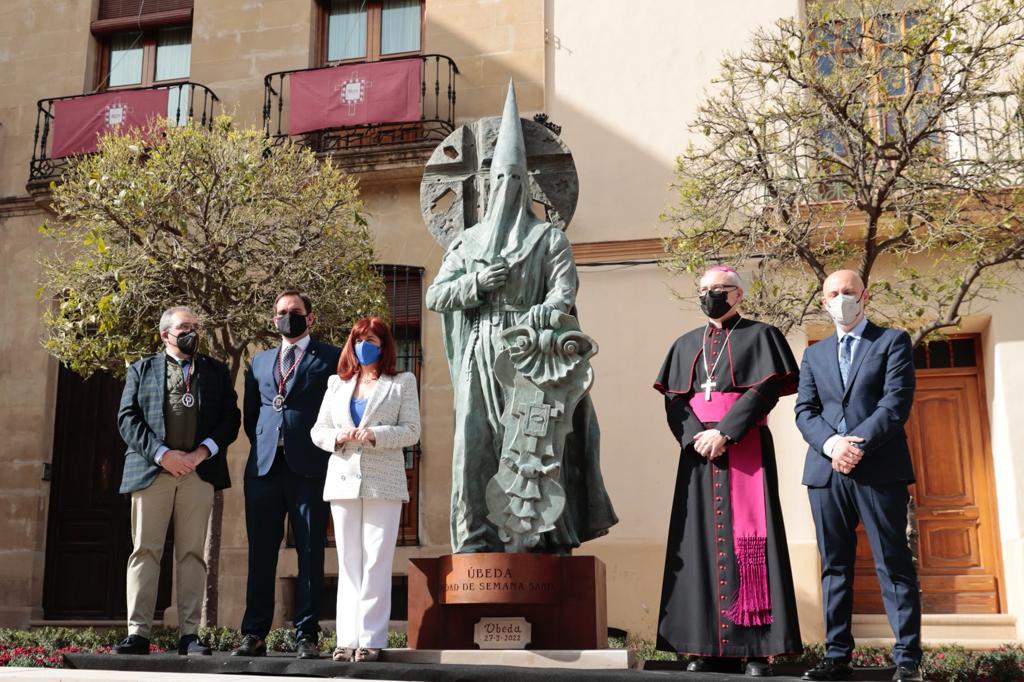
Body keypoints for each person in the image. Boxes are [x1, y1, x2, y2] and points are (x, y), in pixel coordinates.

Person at [425, 80, 617, 554]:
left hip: (531, 354)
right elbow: (435, 296)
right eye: (497, 180)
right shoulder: (464, 244)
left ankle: (536, 535)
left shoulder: (549, 239)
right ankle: (475, 539)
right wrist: (475, 285)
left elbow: (563, 292)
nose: (505, 188)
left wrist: (535, 319)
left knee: (531, 441)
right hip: (478, 349)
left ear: (526, 183)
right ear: (486, 186)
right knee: (475, 442)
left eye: (514, 179)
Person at [653, 266, 802, 677]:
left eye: (717, 289)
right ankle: (702, 647)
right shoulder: (685, 345)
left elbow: (765, 389)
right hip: (698, 457)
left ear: (737, 295)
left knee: (752, 544)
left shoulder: (761, 336)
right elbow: (674, 400)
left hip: (745, 447)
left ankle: (756, 650)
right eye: (703, 290)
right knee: (697, 544)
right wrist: (698, 437)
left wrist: (727, 432)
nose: (709, 296)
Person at [795, 270, 922, 682]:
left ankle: (907, 660)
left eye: (848, 292)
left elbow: (895, 403)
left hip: (880, 471)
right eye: (833, 294)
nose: (840, 300)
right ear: (823, 301)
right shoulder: (814, 354)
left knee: (893, 564)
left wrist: (857, 445)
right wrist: (833, 446)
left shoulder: (892, 342)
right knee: (834, 566)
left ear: (864, 295)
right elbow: (805, 411)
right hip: (826, 473)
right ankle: (836, 656)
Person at [114, 306, 240, 656]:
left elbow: (231, 419)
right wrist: (162, 454)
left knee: (191, 554)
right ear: (165, 334)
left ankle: (190, 634)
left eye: (196, 327)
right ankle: (138, 633)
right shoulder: (142, 370)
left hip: (198, 474)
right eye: (185, 327)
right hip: (153, 471)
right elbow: (127, 418)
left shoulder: (215, 371)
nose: (193, 333)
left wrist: (201, 453)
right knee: (145, 551)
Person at [233, 291, 342, 659]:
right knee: (261, 553)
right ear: (272, 318)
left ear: (310, 318)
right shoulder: (260, 362)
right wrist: (269, 443)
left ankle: (306, 634)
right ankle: (254, 633)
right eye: (282, 313)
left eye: (295, 312)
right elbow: (253, 415)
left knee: (310, 552)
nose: (287, 318)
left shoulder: (330, 356)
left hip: (309, 468)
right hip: (264, 469)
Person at [310, 317, 420, 663]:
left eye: (371, 339)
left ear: (384, 344)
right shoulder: (337, 384)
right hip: (343, 479)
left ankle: (371, 639)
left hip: (383, 482)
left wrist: (376, 435)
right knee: (349, 562)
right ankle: (346, 639)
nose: (364, 345)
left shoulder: (402, 382)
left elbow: (412, 431)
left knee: (376, 560)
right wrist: (337, 438)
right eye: (359, 339)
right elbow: (318, 431)